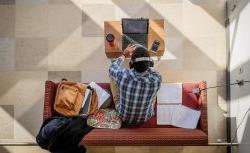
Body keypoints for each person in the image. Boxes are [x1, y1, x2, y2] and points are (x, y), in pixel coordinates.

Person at [109, 44, 162, 125]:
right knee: (154, 91)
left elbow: (112, 67)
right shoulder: (157, 79)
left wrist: (124, 55)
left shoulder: (123, 75)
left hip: (123, 116)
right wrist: (146, 58)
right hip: (145, 118)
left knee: (112, 75)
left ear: (130, 64)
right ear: (150, 63)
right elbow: (152, 70)